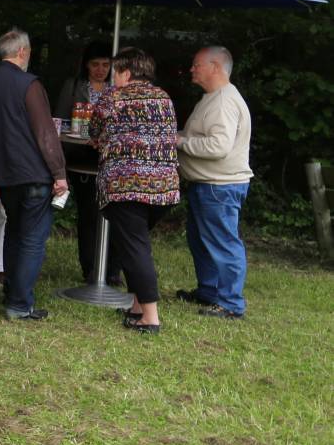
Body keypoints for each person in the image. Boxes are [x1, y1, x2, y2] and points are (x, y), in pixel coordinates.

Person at [0, 29, 69, 321]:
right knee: (33, 238)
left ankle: (12, 291)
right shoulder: (29, 84)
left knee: (14, 231)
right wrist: (59, 173)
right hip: (33, 172)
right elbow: (45, 133)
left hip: (2, 172)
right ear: (23, 52)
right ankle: (20, 303)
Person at [88, 47, 180, 333]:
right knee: (136, 245)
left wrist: (103, 139)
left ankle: (150, 318)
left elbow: (93, 130)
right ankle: (138, 306)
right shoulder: (164, 98)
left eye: (115, 71)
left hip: (126, 186)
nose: (113, 77)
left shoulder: (113, 97)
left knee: (135, 248)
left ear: (126, 72)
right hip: (164, 188)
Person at [175, 46, 253, 319]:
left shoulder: (224, 102)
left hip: (219, 186)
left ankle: (231, 303)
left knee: (223, 243)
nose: (192, 69)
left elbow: (219, 146)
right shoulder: (212, 98)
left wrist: (181, 142)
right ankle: (209, 291)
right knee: (201, 240)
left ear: (216, 67)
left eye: (197, 64)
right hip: (208, 184)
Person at [54, 42, 119, 286]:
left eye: (105, 64)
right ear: (86, 65)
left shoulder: (118, 89)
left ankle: (112, 269)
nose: (101, 70)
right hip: (81, 158)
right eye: (95, 64)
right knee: (89, 216)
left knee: (116, 215)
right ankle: (90, 267)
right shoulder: (74, 86)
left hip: (111, 160)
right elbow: (58, 120)